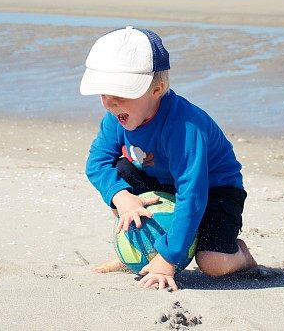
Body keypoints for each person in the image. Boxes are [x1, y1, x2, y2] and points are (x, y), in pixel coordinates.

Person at [80, 26, 257, 291]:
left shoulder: (185, 127)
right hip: (159, 180)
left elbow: (193, 194)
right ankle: (130, 250)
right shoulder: (116, 116)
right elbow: (96, 164)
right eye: (104, 93)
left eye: (121, 94)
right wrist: (122, 197)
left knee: (213, 264)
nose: (110, 103)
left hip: (214, 189)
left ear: (157, 89)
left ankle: (241, 255)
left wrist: (169, 258)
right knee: (120, 172)